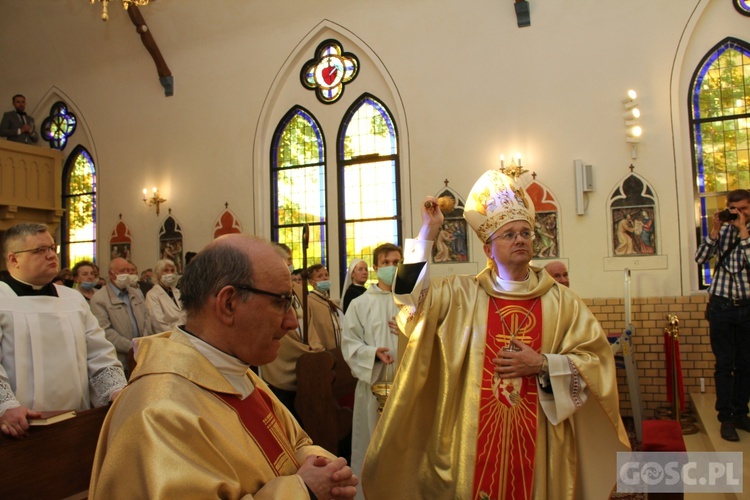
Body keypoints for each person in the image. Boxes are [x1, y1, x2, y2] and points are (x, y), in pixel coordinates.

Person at [362, 170, 629, 499]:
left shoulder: (563, 302)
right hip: (474, 442)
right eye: (509, 234)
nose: (520, 239)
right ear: (488, 250)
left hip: (541, 441)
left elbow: (596, 362)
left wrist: (544, 364)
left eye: (526, 233)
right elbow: (407, 297)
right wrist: (428, 232)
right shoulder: (462, 295)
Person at [89, 234, 359, 498]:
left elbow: (295, 443)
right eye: (281, 303)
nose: (291, 322)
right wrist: (304, 490)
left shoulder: (232, 371)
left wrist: (327, 470)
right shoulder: (158, 412)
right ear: (228, 304)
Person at [0, 224, 126, 438]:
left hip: (77, 422)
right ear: (14, 259)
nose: (51, 256)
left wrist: (115, 390)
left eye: (52, 248)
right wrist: (6, 406)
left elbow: (98, 353)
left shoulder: (73, 298)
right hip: (18, 429)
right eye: (40, 250)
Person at [341, 243, 402, 496]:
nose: (392, 268)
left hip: (405, 387)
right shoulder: (360, 304)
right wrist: (372, 354)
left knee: (404, 446)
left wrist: (411, 333)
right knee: (372, 447)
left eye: (397, 262)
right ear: (376, 268)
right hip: (373, 389)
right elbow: (349, 344)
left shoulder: (410, 302)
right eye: (386, 263)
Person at [694, 188, 750, 442]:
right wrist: (714, 231)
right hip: (721, 307)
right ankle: (725, 418)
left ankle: (741, 413)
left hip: (747, 307)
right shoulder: (722, 231)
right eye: (734, 208)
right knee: (724, 365)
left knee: (746, 365)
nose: (738, 213)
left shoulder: (745, 233)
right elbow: (700, 258)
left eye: (744, 208)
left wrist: (744, 231)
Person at [260, 244, 325, 418]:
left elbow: (311, 325)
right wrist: (304, 352)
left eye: (290, 260)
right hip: (282, 366)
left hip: (309, 365)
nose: (289, 264)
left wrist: (314, 348)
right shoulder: (267, 293)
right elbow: (279, 331)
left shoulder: (299, 290)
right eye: (285, 260)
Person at [90, 258, 153, 371]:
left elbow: (147, 318)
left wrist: (143, 342)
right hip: (119, 359)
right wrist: (132, 347)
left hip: (142, 355)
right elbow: (105, 331)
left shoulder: (135, 293)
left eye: (129, 271)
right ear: (112, 274)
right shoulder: (99, 299)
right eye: (123, 271)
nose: (127, 274)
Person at [306, 264, 343, 349]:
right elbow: (310, 331)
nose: (325, 278)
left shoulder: (331, 302)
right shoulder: (309, 302)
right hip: (324, 351)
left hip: (339, 350)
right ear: (311, 282)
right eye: (320, 276)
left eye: (326, 275)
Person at [145, 259, 186, 333]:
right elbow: (157, 322)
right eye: (166, 270)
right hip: (168, 336)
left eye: (172, 270)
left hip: (184, 332)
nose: (170, 273)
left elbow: (186, 313)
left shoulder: (178, 292)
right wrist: (174, 335)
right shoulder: (152, 295)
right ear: (158, 275)